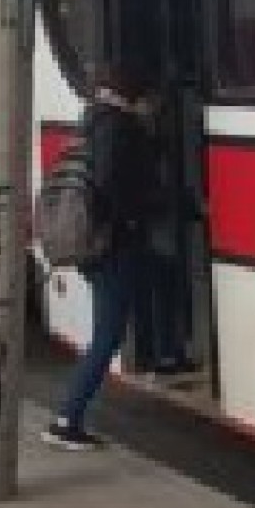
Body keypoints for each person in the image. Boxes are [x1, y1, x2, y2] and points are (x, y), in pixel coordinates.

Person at [42, 59, 162, 451]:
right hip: (111, 247)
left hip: (96, 245)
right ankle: (67, 419)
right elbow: (114, 186)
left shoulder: (92, 121)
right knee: (107, 337)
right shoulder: (117, 127)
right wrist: (133, 218)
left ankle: (163, 356)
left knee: (146, 289)